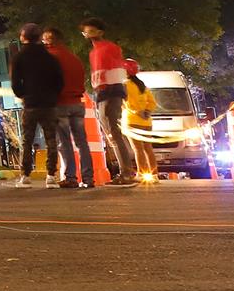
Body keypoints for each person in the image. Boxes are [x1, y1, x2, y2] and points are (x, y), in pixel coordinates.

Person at [80, 18, 136, 184]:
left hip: (111, 92)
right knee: (111, 133)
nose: (88, 34)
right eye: (86, 31)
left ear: (100, 32)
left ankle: (127, 171)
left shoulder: (110, 48)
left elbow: (117, 70)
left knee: (114, 131)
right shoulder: (93, 52)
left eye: (91, 30)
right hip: (102, 94)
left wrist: (115, 90)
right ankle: (125, 170)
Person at [10, 24, 64, 188]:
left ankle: (25, 175)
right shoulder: (50, 57)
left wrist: (23, 95)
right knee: (51, 140)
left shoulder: (19, 57)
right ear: (39, 37)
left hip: (31, 103)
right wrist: (53, 95)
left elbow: (15, 83)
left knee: (27, 140)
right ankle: (51, 176)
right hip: (49, 104)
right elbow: (59, 81)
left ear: (23, 37)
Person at [41, 27, 92, 188]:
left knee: (64, 142)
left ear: (50, 40)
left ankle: (71, 177)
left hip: (60, 103)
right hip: (77, 103)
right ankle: (88, 177)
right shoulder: (74, 58)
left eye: (44, 40)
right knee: (82, 142)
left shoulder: (50, 58)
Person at [123, 60, 157, 180]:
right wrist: (147, 111)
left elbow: (127, 104)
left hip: (132, 121)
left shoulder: (125, 85)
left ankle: (141, 174)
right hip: (147, 122)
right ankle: (154, 174)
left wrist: (137, 112)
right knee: (148, 148)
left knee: (138, 149)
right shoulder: (142, 85)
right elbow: (153, 102)